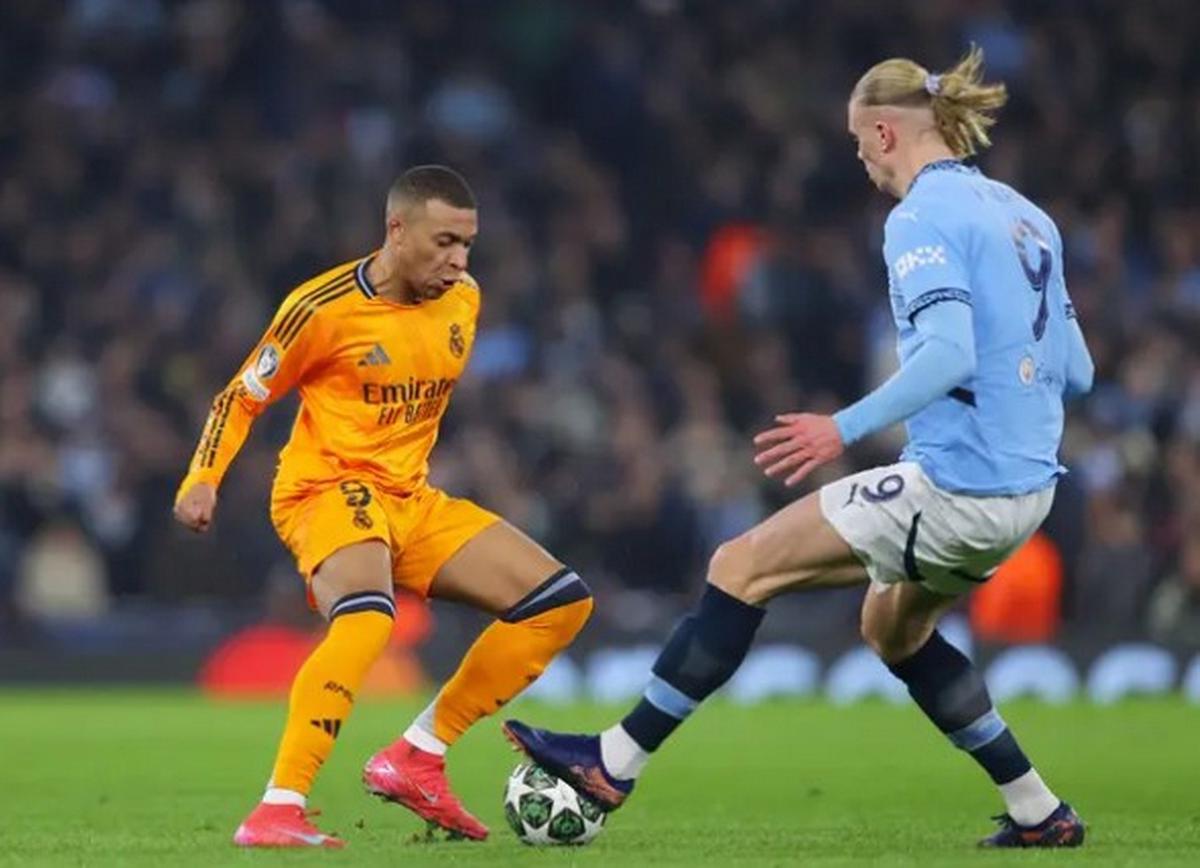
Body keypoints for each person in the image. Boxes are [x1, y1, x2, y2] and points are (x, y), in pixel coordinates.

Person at [504, 47, 1093, 849]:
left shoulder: (921, 216)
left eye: (859, 145)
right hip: (1028, 491)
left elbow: (950, 354)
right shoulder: (1030, 218)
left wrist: (839, 428)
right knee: (894, 630)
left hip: (959, 488)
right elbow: (1080, 372)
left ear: (886, 132)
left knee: (740, 567)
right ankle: (1040, 813)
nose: (863, 164)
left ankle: (613, 762)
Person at [174, 165, 593, 848]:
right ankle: (278, 806)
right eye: (444, 242)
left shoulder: (463, 299)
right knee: (369, 617)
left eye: (468, 245)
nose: (459, 262)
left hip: (411, 497)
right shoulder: (322, 309)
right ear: (396, 231)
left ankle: (418, 755)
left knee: (561, 602)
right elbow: (241, 396)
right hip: (327, 489)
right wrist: (202, 478)